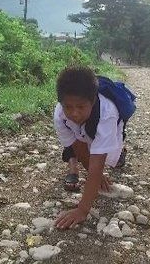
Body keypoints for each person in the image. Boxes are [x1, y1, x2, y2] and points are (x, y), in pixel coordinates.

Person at [53, 66, 127, 229]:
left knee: (108, 155)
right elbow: (77, 147)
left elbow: (97, 163)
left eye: (80, 107)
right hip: (84, 131)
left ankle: (121, 150)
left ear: (92, 101)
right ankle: (102, 147)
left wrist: (82, 210)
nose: (74, 113)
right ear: (61, 103)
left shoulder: (107, 113)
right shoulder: (60, 114)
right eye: (68, 107)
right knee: (85, 144)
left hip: (107, 125)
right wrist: (95, 176)